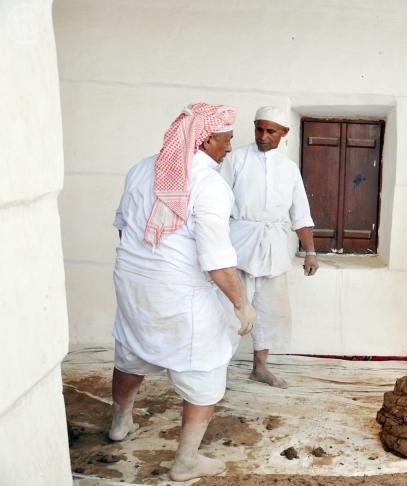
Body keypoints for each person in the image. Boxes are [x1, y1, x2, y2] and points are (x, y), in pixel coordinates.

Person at [109, 102, 257, 482]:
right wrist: (242, 304)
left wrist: (146, 267)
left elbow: (124, 228)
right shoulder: (210, 185)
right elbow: (216, 260)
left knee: (131, 349)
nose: (229, 147)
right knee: (205, 369)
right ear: (205, 140)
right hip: (178, 293)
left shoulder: (142, 168)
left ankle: (120, 424)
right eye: (226, 140)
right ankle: (186, 462)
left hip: (132, 282)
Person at [219, 106, 318, 389]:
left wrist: (310, 252)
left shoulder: (289, 169)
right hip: (238, 245)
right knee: (228, 309)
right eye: (259, 129)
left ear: (284, 133)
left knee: (270, 310)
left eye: (270, 131)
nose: (263, 136)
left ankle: (260, 368)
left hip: (273, 248)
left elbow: (300, 213)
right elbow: (218, 204)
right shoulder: (235, 159)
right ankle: (215, 371)